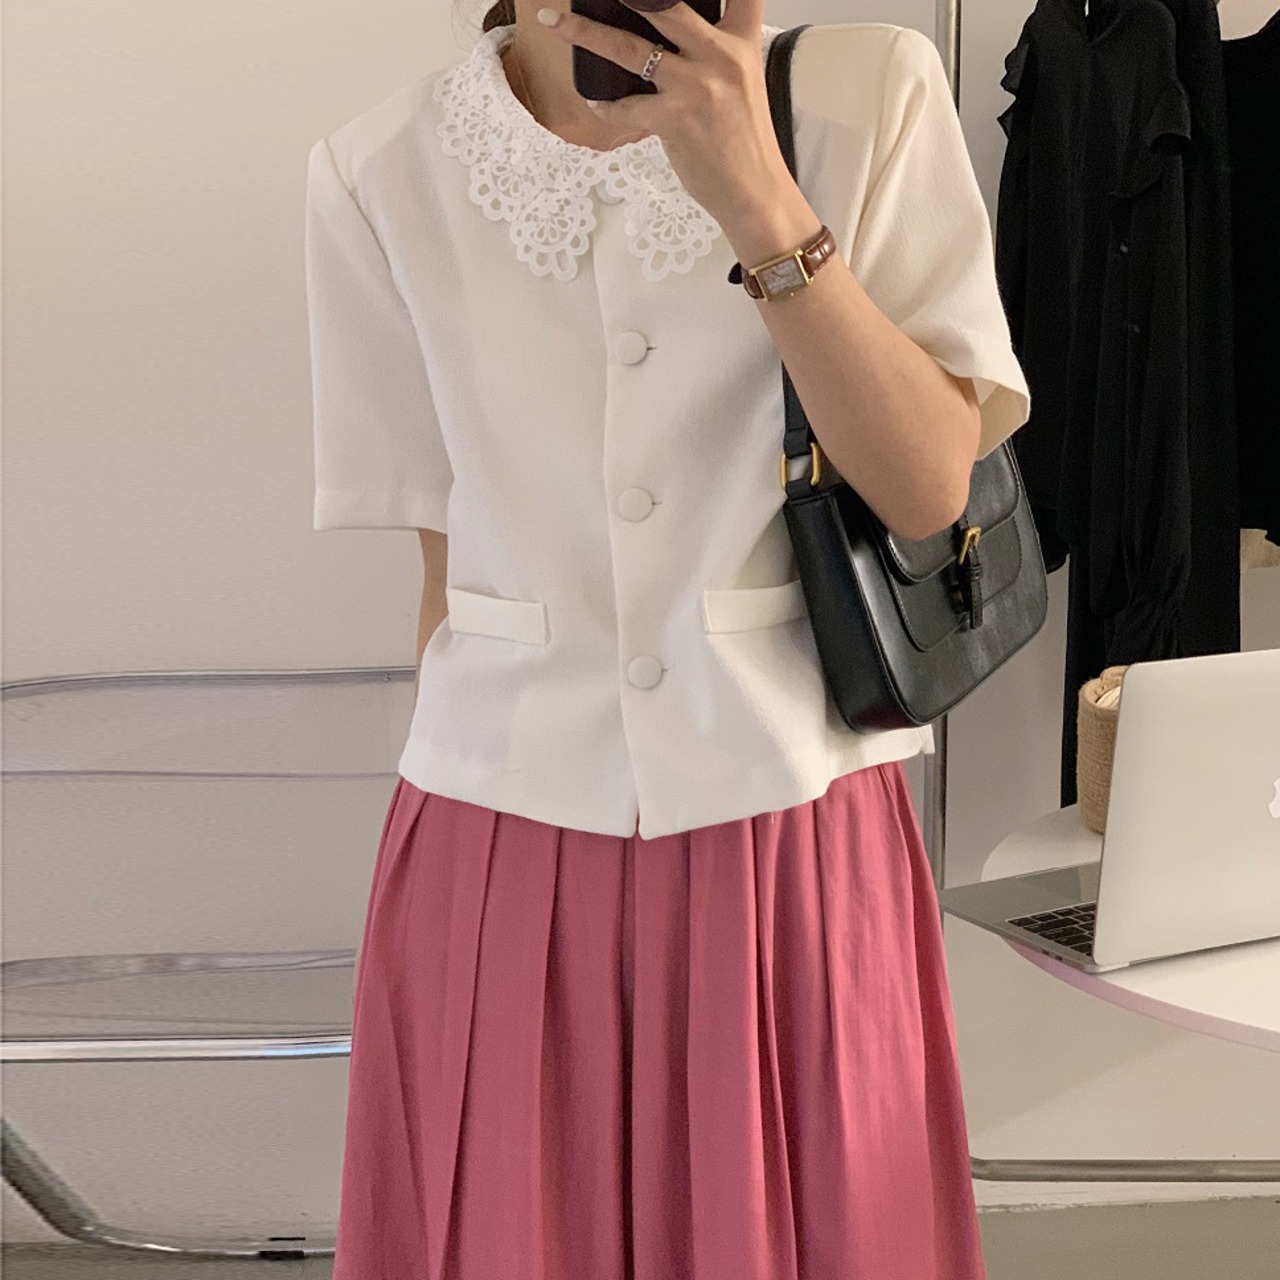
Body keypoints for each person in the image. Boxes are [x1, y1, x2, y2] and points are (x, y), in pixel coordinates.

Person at [305, 0, 1030, 1276]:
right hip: (497, 846)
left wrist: (755, 194)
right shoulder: (376, 170)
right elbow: (444, 569)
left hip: (789, 828)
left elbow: (927, 486)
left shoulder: (867, 97)